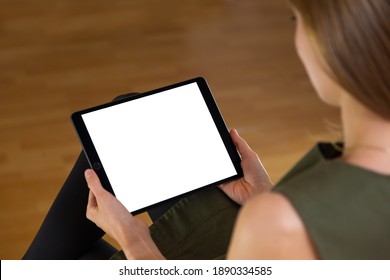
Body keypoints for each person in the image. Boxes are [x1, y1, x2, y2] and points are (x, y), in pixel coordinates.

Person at [23, 0, 390, 260]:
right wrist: (263, 195)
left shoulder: (280, 223)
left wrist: (135, 242)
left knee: (67, 257)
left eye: (297, 22)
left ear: (335, 45)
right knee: (129, 109)